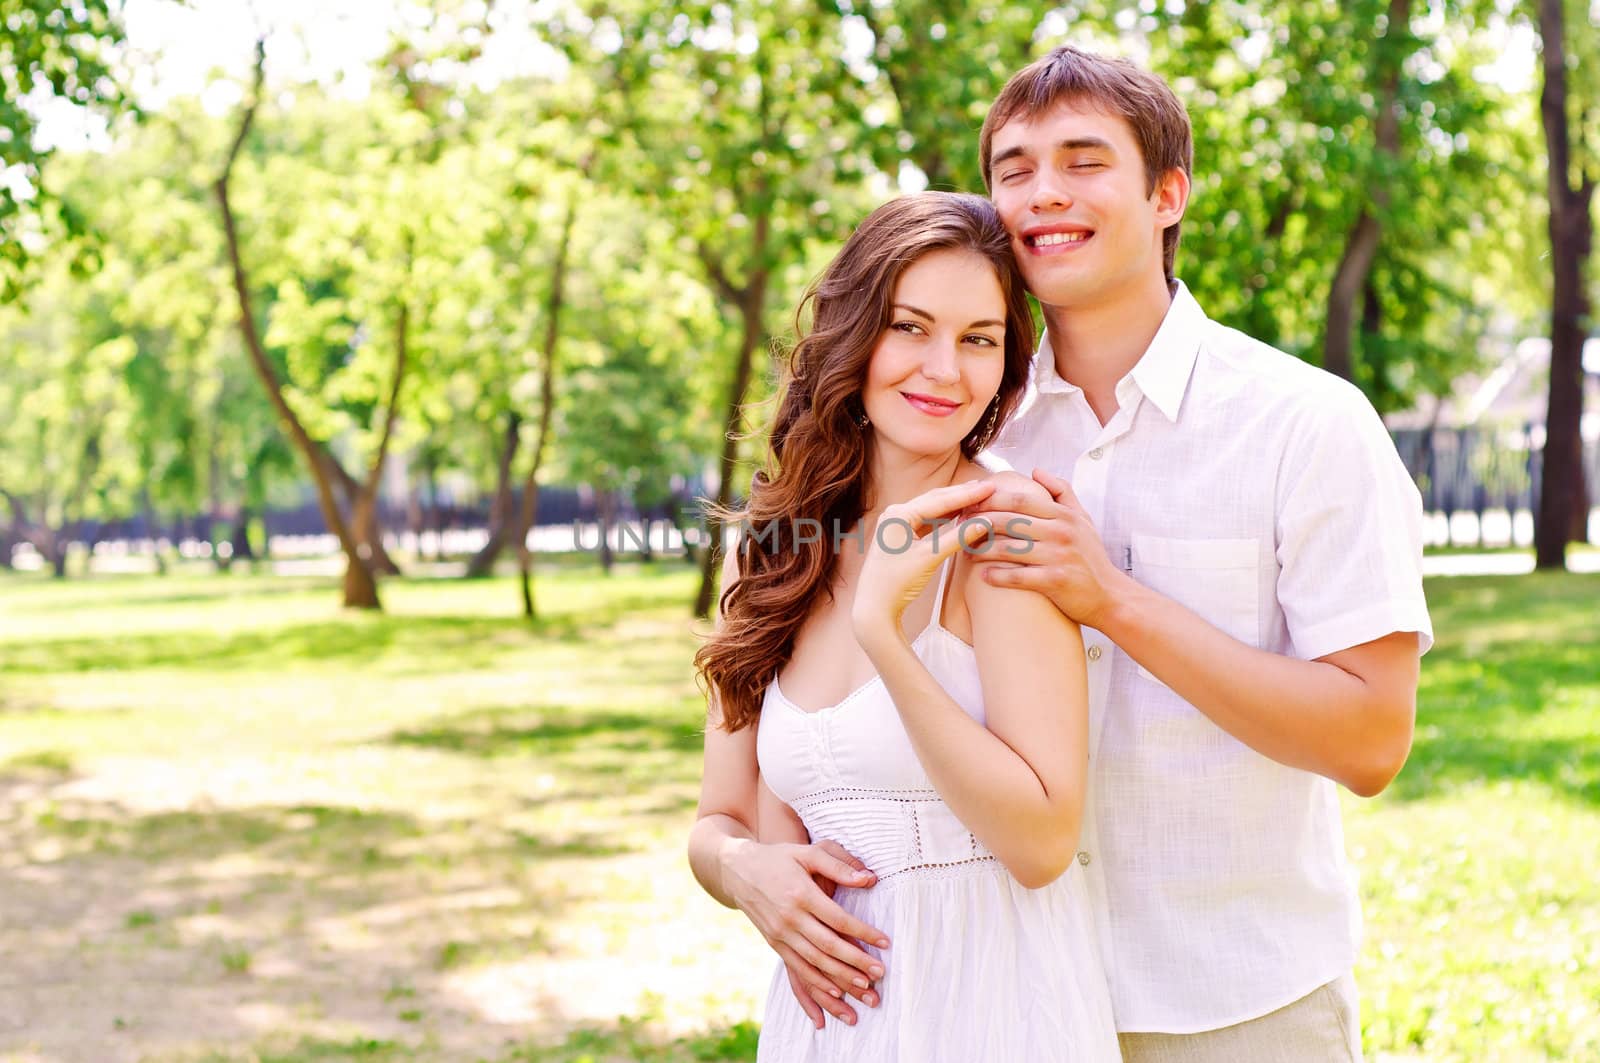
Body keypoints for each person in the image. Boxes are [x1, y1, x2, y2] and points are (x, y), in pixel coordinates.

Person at [687, 191, 1122, 1061]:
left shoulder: (1003, 537)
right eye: (910, 327)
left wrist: (883, 631)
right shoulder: (774, 552)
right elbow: (719, 818)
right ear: (856, 335)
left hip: (988, 1003)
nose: (944, 369)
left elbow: (1041, 841)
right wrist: (747, 874)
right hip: (831, 1024)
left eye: (978, 339)